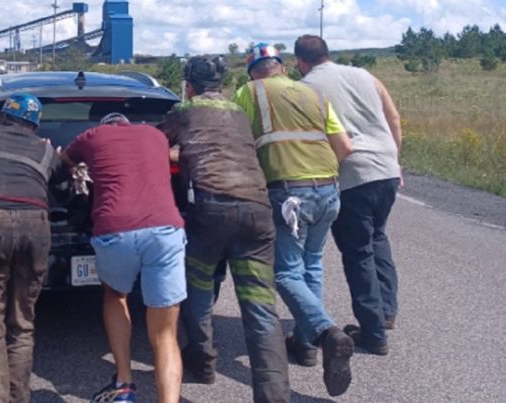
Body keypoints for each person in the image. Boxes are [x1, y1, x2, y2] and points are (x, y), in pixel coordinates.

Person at [158, 56, 290, 402]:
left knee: (199, 285)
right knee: (261, 306)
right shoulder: (237, 113)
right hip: (257, 212)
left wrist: (180, 155)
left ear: (189, 86)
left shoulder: (183, 112)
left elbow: (153, 147)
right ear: (223, 85)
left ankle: (202, 360)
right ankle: (274, 394)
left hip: (211, 211)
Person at [232, 43, 355, 397]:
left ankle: (326, 332)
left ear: (253, 71)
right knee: (312, 264)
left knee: (285, 271)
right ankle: (306, 344)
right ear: (282, 67)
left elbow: (236, 141)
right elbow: (345, 147)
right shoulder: (312, 93)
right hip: (329, 189)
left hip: (288, 193)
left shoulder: (248, 92)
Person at [61, 112, 186, 403]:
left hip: (115, 229)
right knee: (166, 334)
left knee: (116, 293)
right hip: (165, 230)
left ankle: (124, 384)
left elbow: (67, 162)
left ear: (104, 127)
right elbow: (172, 157)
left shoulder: (91, 136)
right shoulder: (156, 136)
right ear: (128, 125)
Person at [295, 34, 402, 355]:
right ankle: (386, 312)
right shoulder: (364, 75)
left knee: (358, 252)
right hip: (386, 167)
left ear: (300, 62)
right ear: (328, 54)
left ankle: (373, 334)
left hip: (352, 173)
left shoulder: (306, 88)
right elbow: (393, 117)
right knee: (377, 238)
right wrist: (395, 160)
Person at [0, 93, 63, 402]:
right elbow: (61, 183)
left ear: (3, 116)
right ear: (35, 124)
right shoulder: (45, 151)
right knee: (22, 323)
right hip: (37, 224)